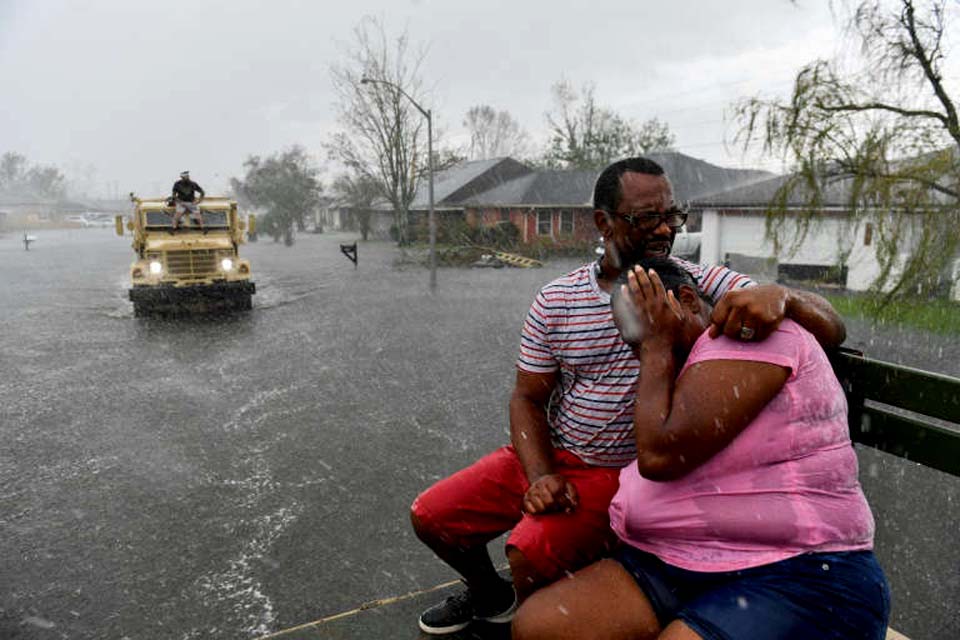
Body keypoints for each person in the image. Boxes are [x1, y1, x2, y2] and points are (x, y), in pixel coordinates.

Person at [409, 157, 847, 635]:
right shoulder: (557, 299)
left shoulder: (698, 282)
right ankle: (493, 596)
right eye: (646, 218)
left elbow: (831, 326)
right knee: (433, 517)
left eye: (671, 216)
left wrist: (785, 296)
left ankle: (537, 606)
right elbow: (527, 398)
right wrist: (539, 474)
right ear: (604, 221)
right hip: (548, 453)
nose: (664, 230)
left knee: (529, 550)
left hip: (615, 473)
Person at [511, 258, 889, 640]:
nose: (641, 354)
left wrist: (657, 344)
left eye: (649, 330)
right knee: (540, 627)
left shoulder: (749, 335)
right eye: (634, 342)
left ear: (688, 300)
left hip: (797, 569)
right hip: (667, 563)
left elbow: (661, 456)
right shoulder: (679, 362)